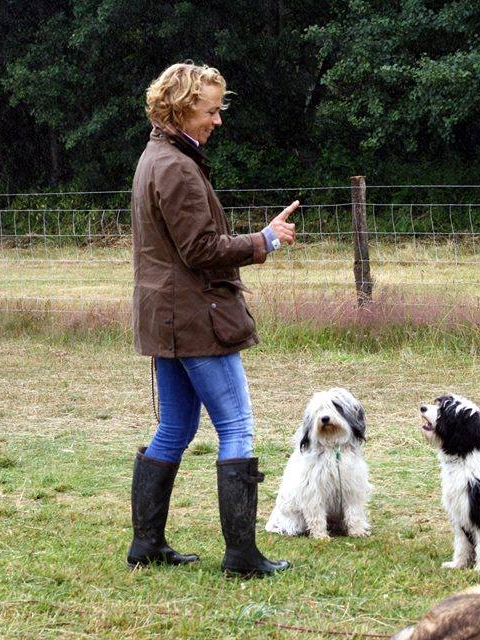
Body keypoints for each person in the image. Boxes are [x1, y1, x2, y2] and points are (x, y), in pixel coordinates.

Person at [126, 61, 298, 576]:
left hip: (168, 318)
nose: (217, 120)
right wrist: (264, 241)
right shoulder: (177, 168)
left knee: (175, 426)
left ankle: (147, 545)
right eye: (210, 111)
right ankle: (242, 556)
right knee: (237, 426)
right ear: (180, 110)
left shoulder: (156, 157)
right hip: (196, 317)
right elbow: (200, 249)